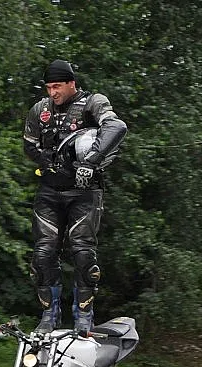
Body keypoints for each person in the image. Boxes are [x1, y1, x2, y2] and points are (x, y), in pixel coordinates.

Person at [23, 59, 128, 335]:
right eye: (48, 87)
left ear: (71, 83)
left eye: (57, 86)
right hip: (49, 190)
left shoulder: (93, 102)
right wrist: (44, 157)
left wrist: (91, 160)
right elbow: (29, 144)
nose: (52, 92)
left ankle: (84, 316)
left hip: (85, 192)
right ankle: (49, 314)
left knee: (82, 253)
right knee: (43, 254)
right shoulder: (40, 110)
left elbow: (117, 128)